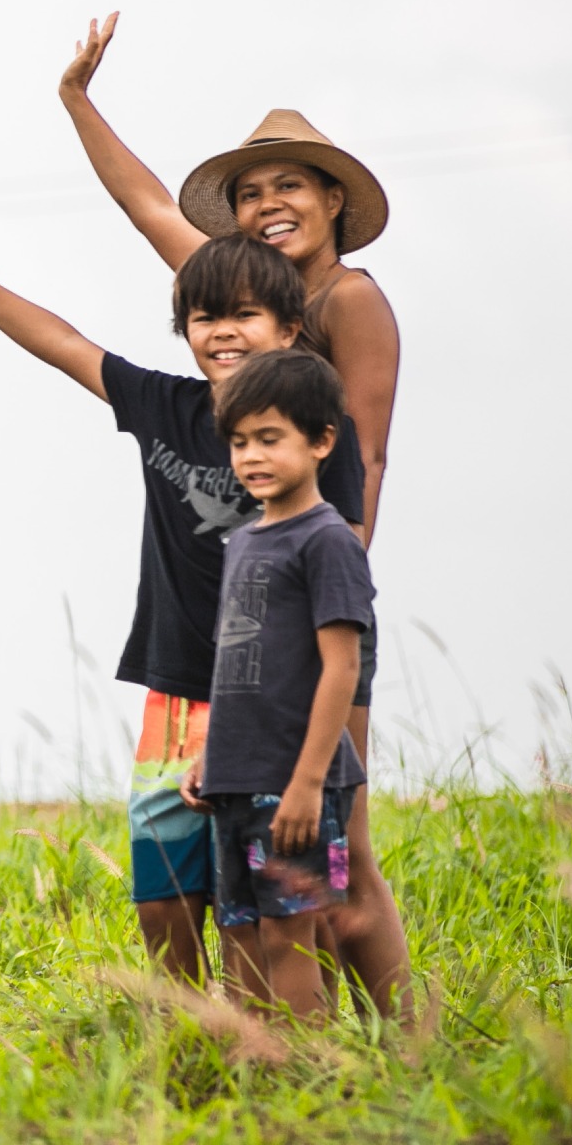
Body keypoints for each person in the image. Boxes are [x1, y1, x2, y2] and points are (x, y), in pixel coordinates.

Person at [0, 212, 362, 985]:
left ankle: (289, 1047)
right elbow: (64, 343)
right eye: (204, 316)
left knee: (271, 921)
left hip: (271, 703)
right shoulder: (165, 407)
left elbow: (337, 577)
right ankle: (190, 1045)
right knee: (163, 902)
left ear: (288, 330)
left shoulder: (320, 433)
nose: (223, 331)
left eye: (245, 315)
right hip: (173, 698)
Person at [56, 14, 411, 1010]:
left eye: (289, 186)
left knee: (338, 857)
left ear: (333, 199)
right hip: (235, 618)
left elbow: (367, 454)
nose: (268, 206)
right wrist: (77, 100)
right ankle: (285, 1034)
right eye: (250, 193)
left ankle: (406, 1040)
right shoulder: (242, 293)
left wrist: (316, 591)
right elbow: (144, 204)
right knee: (269, 871)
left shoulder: (346, 299)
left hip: (313, 603)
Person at [181, 348, 376, 1027]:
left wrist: (307, 784)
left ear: (321, 441)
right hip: (234, 778)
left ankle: (308, 1067)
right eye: (239, 442)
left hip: (298, 783)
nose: (251, 456)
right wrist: (211, 755)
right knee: (238, 930)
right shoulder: (241, 542)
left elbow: (341, 668)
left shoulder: (327, 541)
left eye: (270, 438)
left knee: (291, 933)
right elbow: (237, 665)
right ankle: (255, 1063)